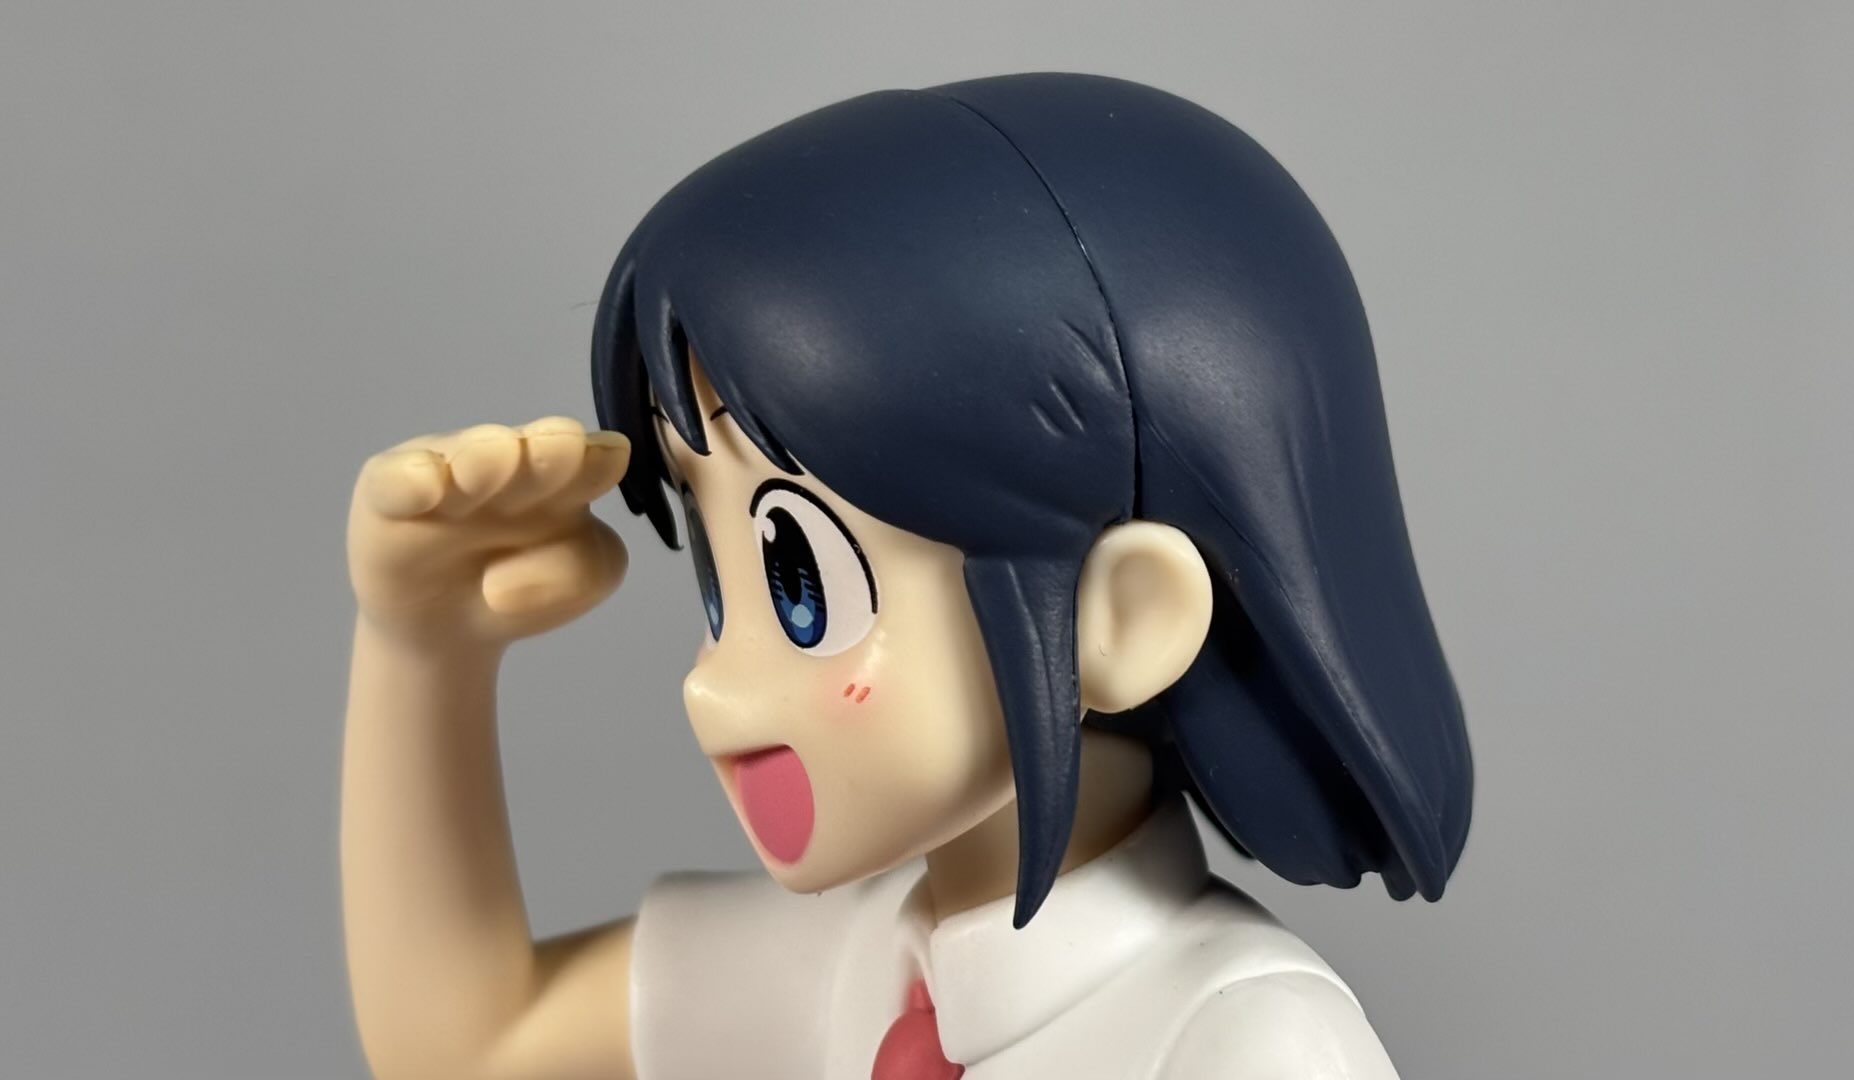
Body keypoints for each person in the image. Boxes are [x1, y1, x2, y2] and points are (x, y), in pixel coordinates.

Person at [341, 72, 1473, 1080]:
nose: (710, 686)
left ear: (1124, 617)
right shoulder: (868, 966)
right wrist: (422, 653)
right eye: (720, 582)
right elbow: (469, 1042)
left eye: (800, 582)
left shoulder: (1247, 1046)